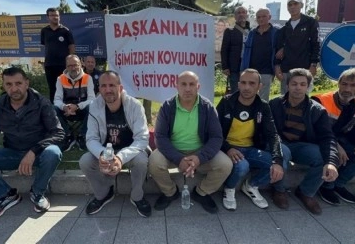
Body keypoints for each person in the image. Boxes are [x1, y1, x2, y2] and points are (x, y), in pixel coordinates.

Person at [0, 67, 64, 222]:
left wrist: (33, 151)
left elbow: (57, 133)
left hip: (38, 153)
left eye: (18, 83)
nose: (14, 88)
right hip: (13, 152)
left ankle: (37, 192)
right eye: (9, 84)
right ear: (4, 86)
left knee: (53, 153)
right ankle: (6, 194)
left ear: (26, 83)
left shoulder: (41, 103)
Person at [149, 71, 232, 214]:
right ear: (177, 86)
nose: (188, 88)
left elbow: (216, 137)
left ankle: (201, 192)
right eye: (184, 84)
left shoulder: (207, 107)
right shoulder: (167, 107)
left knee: (225, 164)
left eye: (192, 84)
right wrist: (178, 159)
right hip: (172, 152)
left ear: (198, 87)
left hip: (200, 152)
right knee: (154, 162)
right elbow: (160, 137)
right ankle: (170, 192)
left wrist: (200, 158)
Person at [216, 69, 291, 211]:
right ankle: (229, 189)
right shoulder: (227, 102)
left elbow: (272, 134)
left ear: (259, 87)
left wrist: (277, 161)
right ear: (238, 85)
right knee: (242, 167)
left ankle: (251, 185)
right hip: (229, 148)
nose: (246, 87)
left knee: (281, 165)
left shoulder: (263, 106)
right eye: (243, 83)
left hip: (251, 149)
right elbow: (214, 132)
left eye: (252, 83)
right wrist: (227, 148)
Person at [79, 71, 152, 217]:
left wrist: (120, 158)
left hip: (131, 149)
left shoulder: (134, 105)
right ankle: (103, 194)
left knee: (141, 161)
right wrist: (102, 155)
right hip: (106, 150)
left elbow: (142, 138)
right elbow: (91, 138)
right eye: (103, 86)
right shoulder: (94, 106)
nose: (107, 90)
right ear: (99, 89)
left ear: (120, 88)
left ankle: (137, 196)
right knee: (85, 161)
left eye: (112, 85)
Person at [269, 68, 339, 215]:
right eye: (294, 83)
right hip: (279, 143)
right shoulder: (274, 104)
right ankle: (279, 190)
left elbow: (327, 137)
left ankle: (306, 192)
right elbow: (268, 131)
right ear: (287, 85)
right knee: (283, 152)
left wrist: (331, 162)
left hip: (302, 146)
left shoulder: (317, 110)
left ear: (308, 87)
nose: (298, 88)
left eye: (302, 84)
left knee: (322, 158)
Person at [312, 68, 355, 205]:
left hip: (338, 139)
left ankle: (339, 184)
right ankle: (326, 187)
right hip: (316, 138)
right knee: (334, 154)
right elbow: (316, 130)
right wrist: (336, 146)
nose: (347, 89)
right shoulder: (320, 100)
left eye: (353, 85)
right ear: (338, 84)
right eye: (344, 84)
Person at [275, 0, 320, 95]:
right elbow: (278, 49)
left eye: (295, 4)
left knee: (302, 99)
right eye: (290, 5)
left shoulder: (310, 22)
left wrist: (313, 64)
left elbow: (316, 44)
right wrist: (277, 67)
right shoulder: (284, 28)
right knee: (285, 99)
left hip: (304, 68)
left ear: (301, 5)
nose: (292, 7)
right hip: (287, 69)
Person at [54, 55, 95, 151]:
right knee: (53, 109)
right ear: (66, 67)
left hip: (82, 110)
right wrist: (64, 107)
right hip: (66, 111)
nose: (73, 68)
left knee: (92, 106)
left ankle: (82, 135)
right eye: (70, 66)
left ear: (81, 64)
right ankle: (68, 135)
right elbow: (57, 100)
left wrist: (77, 106)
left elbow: (91, 99)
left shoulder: (88, 78)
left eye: (75, 65)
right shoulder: (60, 79)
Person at [240, 8, 279, 101]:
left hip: (267, 70)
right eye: (258, 17)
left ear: (269, 17)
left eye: (264, 16)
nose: (261, 19)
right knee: (248, 94)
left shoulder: (276, 32)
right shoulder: (252, 33)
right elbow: (246, 52)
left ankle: (262, 115)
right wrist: (243, 69)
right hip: (251, 70)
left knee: (263, 98)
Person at [41, 7, 75, 103]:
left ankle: (67, 109)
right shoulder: (44, 31)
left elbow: (71, 46)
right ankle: (54, 110)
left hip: (63, 65)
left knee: (65, 87)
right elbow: (45, 46)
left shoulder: (65, 31)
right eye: (52, 15)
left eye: (57, 15)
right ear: (48, 17)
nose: (55, 17)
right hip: (49, 65)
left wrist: (71, 62)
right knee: (52, 88)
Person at [221, 6, 250, 93]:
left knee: (249, 91)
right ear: (235, 16)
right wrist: (225, 67)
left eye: (243, 12)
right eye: (238, 13)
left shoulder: (253, 31)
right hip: (234, 67)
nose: (241, 14)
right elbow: (224, 49)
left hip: (249, 66)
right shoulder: (229, 31)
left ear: (247, 15)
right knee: (235, 91)